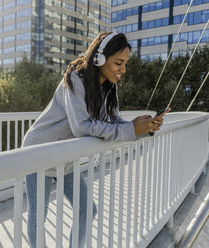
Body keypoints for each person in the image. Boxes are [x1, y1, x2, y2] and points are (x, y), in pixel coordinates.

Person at [22, 31, 166, 248]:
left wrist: (143, 128)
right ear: (99, 58)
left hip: (65, 158)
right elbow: (82, 127)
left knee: (87, 210)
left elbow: (115, 121)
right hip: (39, 152)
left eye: (125, 64)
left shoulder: (109, 87)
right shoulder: (74, 79)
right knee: (37, 214)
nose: (123, 70)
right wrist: (130, 129)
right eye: (118, 62)